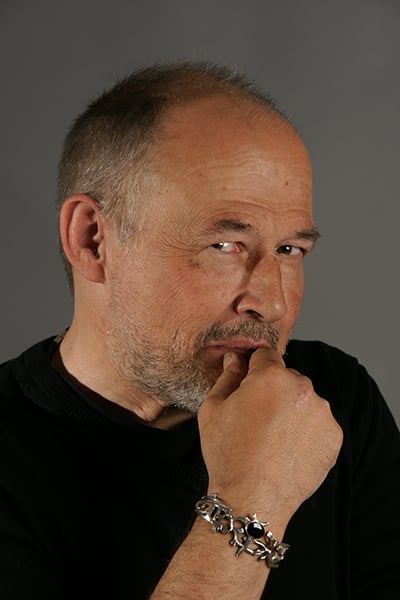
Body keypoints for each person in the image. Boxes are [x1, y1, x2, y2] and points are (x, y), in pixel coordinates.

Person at [0, 62, 399, 599]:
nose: (272, 302)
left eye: (289, 250)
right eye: (224, 245)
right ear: (92, 239)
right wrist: (253, 497)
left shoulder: (330, 398)